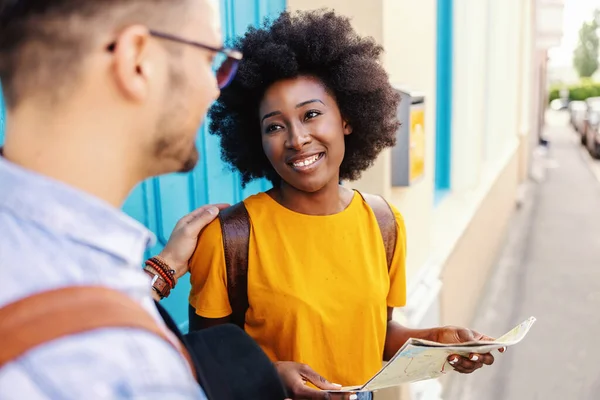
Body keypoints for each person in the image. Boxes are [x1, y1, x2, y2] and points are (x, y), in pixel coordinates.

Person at [188, 10, 504, 399]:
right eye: (275, 125)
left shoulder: (384, 221)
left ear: (348, 120)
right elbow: (205, 363)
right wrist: (270, 374)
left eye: (312, 114)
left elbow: (377, 333)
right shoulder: (230, 236)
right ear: (257, 139)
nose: (297, 138)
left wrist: (435, 339)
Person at [0, 0, 243, 398]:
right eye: (209, 57)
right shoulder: (134, 371)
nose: (214, 88)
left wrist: (163, 268)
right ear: (136, 60)